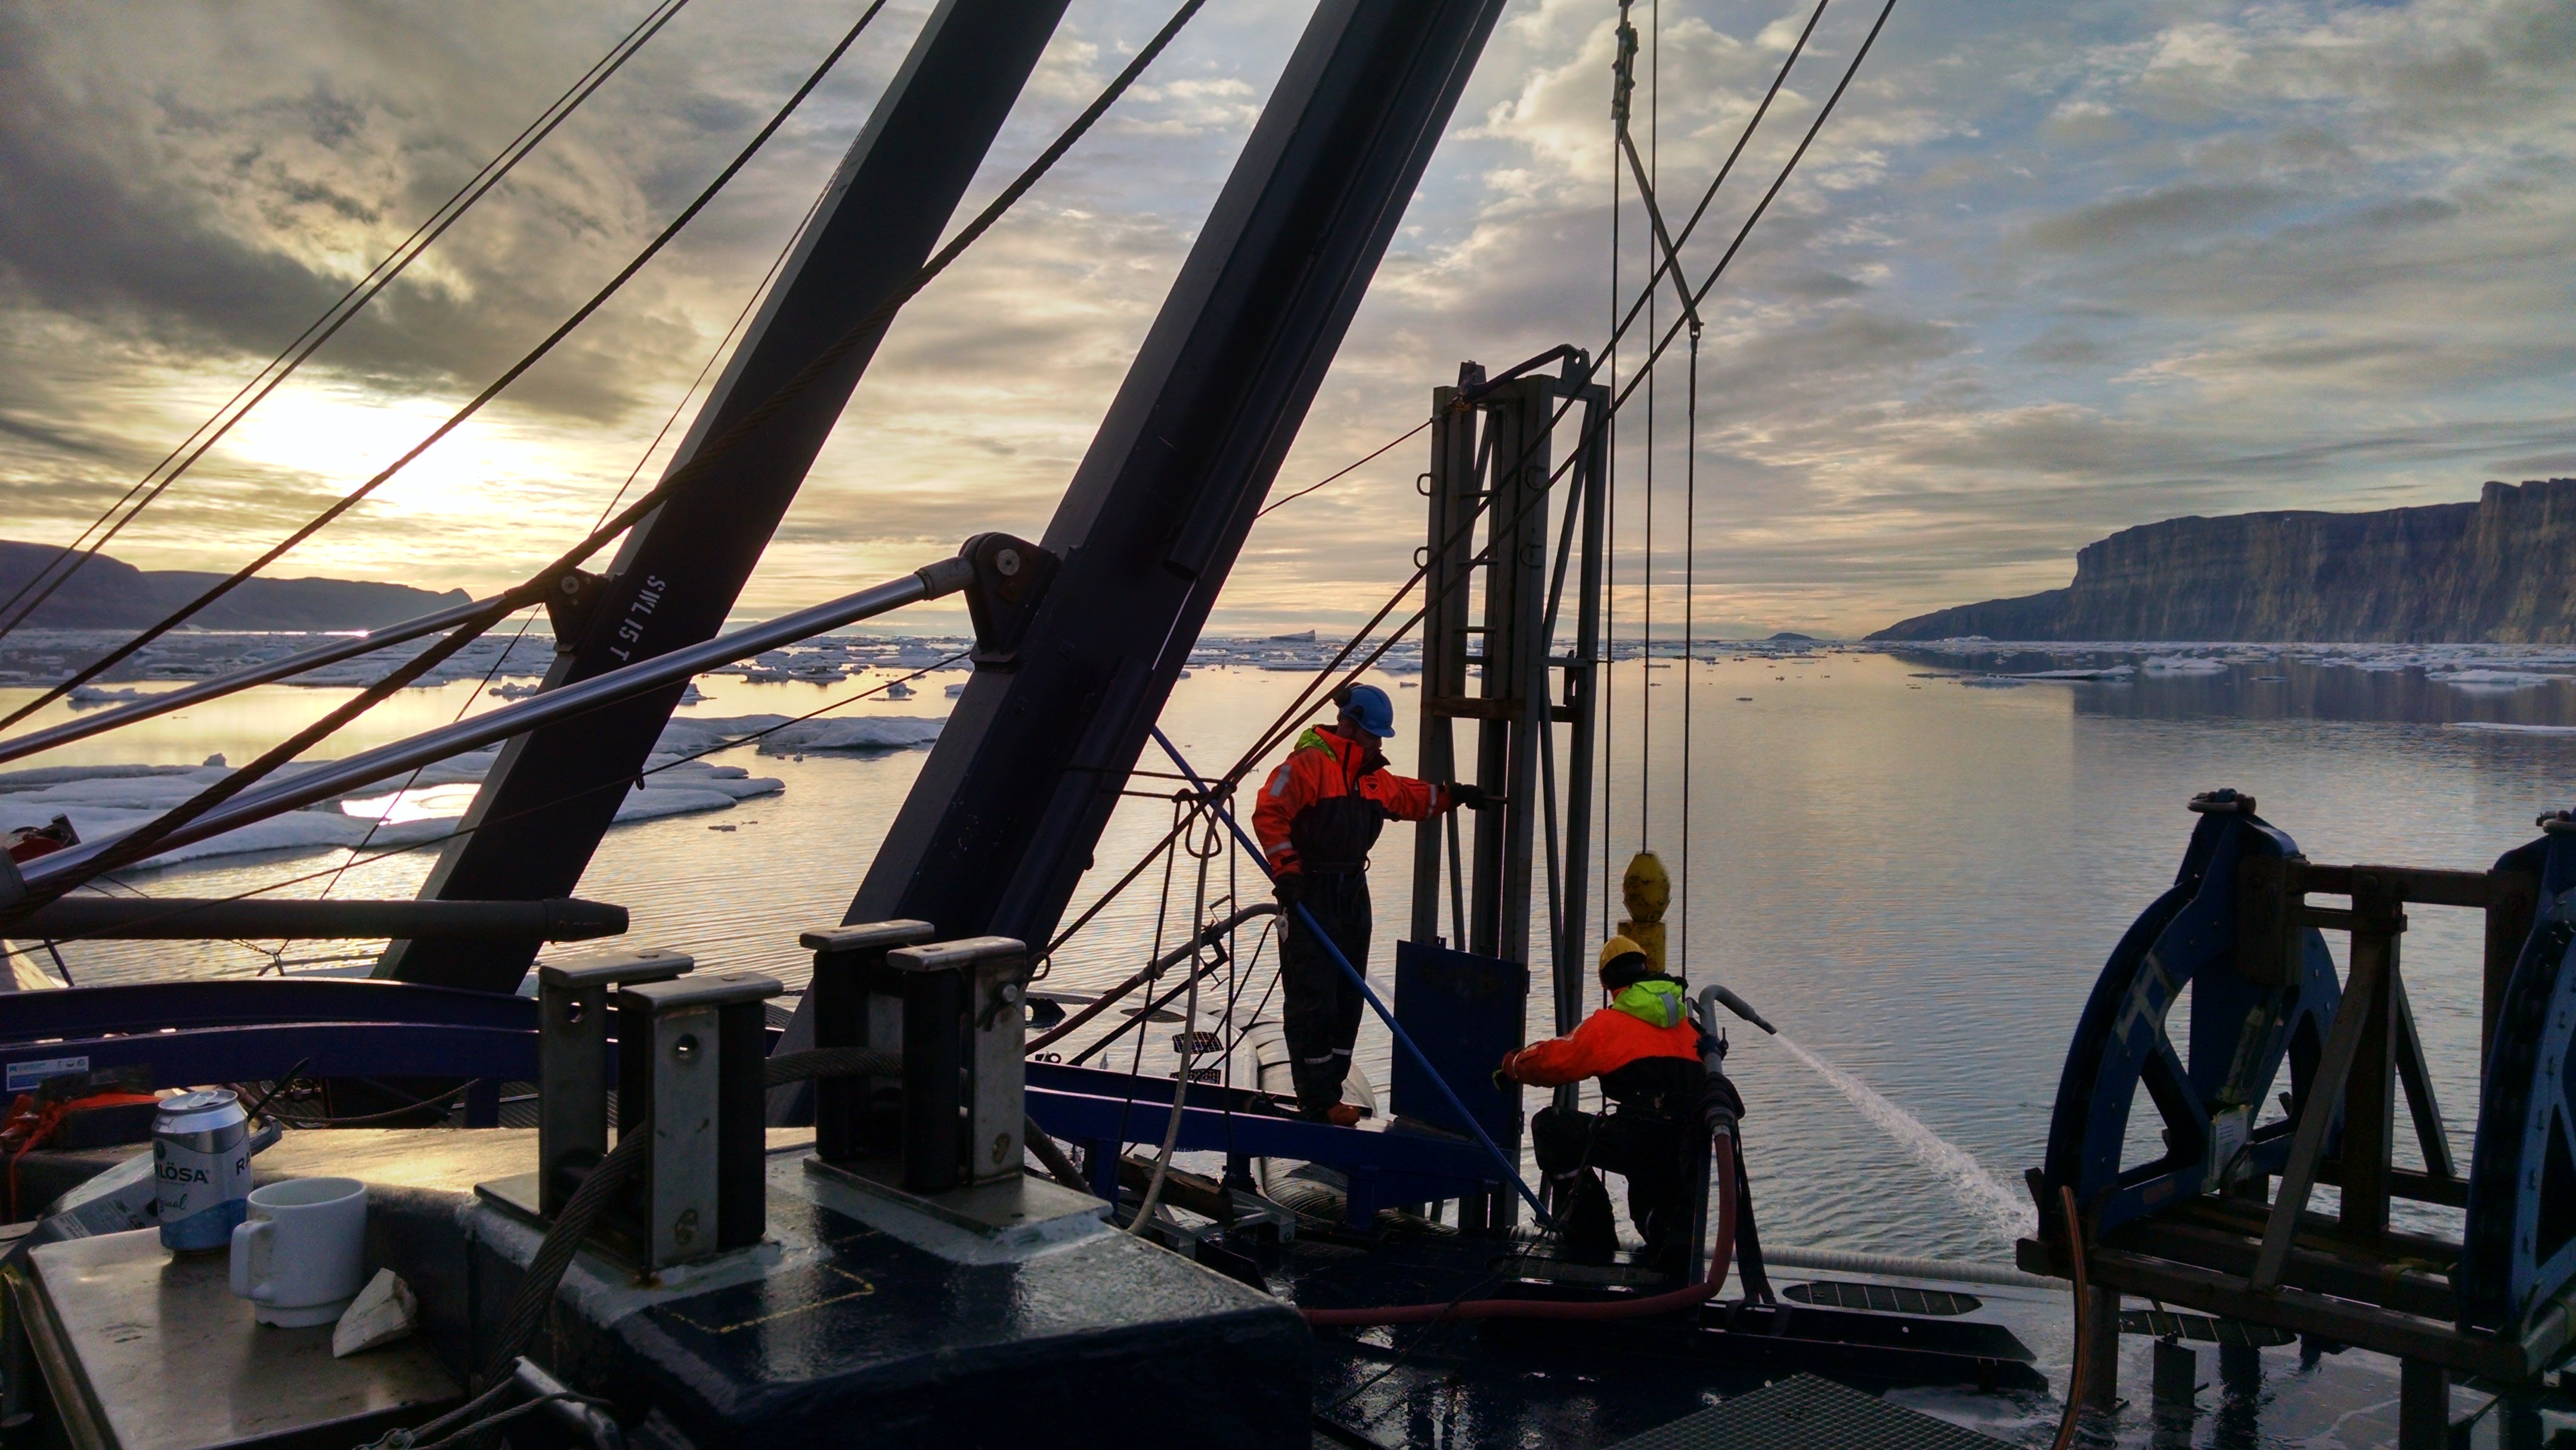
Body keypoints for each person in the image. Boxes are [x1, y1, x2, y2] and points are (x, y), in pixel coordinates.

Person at [1255, 683, 1489, 1124]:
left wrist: (1454, 795)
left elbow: (1407, 796)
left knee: (1348, 995)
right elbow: (1270, 813)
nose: (1379, 743)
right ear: (1351, 725)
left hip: (1351, 891)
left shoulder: (1368, 776)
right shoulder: (1306, 766)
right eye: (1373, 734)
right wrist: (1286, 869)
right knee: (1313, 995)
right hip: (1312, 889)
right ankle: (1317, 1098)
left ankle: (1332, 1089)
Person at [1496, 935, 1708, 1272]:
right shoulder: (1690, 1027)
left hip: (1639, 1136)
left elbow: (1556, 1061)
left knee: (1552, 1128)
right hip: (1690, 1143)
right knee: (1655, 1219)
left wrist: (1512, 1064)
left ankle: (1590, 1234)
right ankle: (1672, 1260)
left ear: (1607, 982)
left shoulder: (1610, 1024)